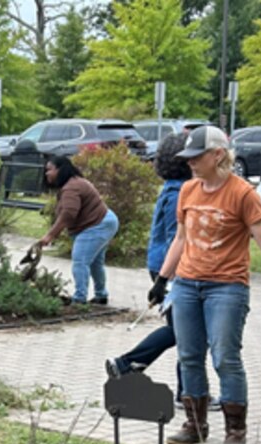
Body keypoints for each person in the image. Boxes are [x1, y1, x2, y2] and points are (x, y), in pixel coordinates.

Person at [152, 125, 261, 444]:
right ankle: (195, 424)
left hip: (227, 288)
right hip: (188, 285)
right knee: (189, 356)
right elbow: (181, 238)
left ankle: (235, 430)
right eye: (187, 157)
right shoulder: (188, 191)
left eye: (196, 156)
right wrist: (163, 280)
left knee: (225, 357)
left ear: (217, 155)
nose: (189, 162)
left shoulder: (243, 194)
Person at [104, 133, 220, 409]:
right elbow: (175, 237)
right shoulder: (183, 192)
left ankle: (184, 390)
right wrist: (172, 275)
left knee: (183, 331)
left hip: (162, 265)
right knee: (186, 331)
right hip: (173, 267)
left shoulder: (172, 187)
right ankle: (132, 364)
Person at [35, 155, 119, 305]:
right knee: (95, 263)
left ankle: (79, 298)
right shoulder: (73, 184)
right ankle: (101, 295)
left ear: (60, 170)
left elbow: (68, 214)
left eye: (49, 170)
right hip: (104, 221)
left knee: (80, 261)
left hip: (97, 225)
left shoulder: (71, 187)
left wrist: (50, 235)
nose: (46, 173)